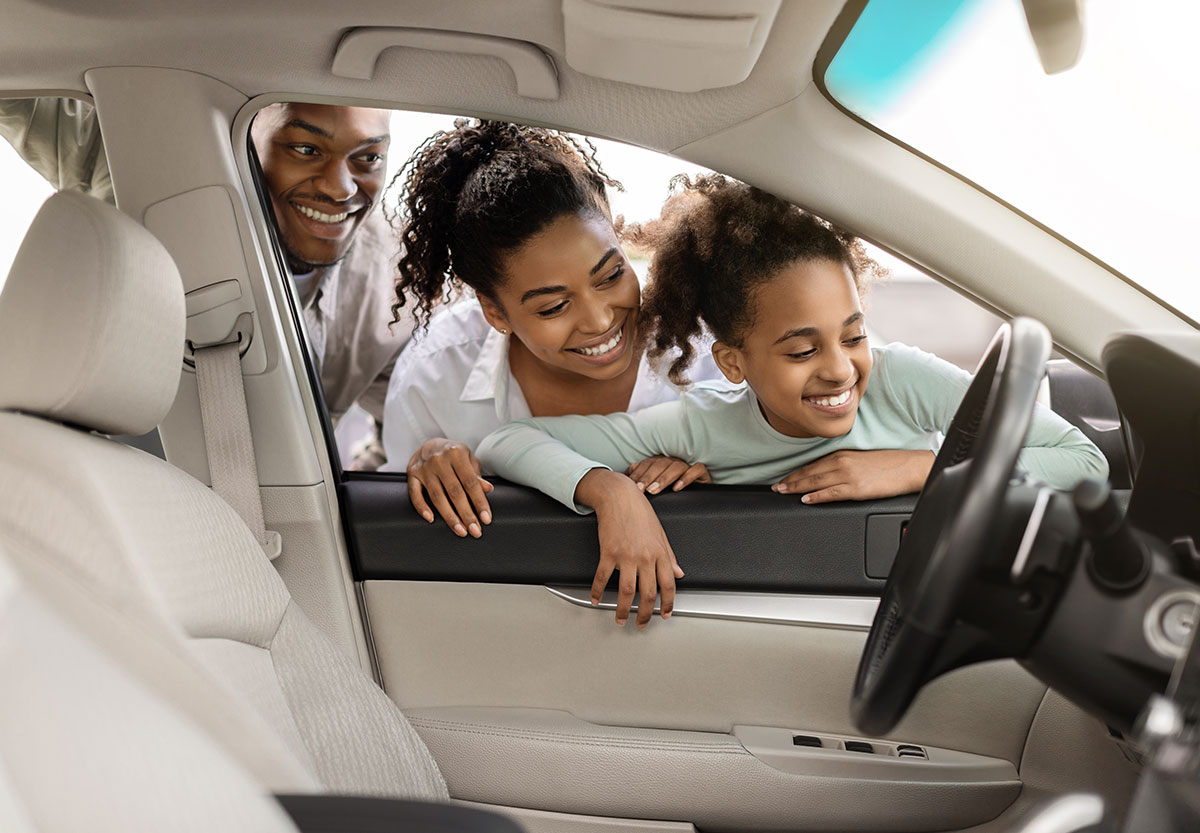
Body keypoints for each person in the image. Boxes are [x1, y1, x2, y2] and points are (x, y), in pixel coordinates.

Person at [477, 174, 1110, 629]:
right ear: (733, 363)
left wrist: (925, 468)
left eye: (854, 335)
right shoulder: (701, 426)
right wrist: (611, 490)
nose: (840, 369)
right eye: (801, 351)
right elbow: (506, 442)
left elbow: (1081, 460)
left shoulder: (900, 379)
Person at [381, 119, 723, 537]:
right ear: (495, 313)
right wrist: (423, 463)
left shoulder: (707, 348)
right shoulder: (435, 377)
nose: (600, 321)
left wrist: (720, 474)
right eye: (554, 307)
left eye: (612, 275)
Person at [251, 103, 413, 470]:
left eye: (369, 157)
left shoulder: (400, 279)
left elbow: (411, 435)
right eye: (306, 150)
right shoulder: (158, 254)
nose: (340, 189)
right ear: (242, 143)